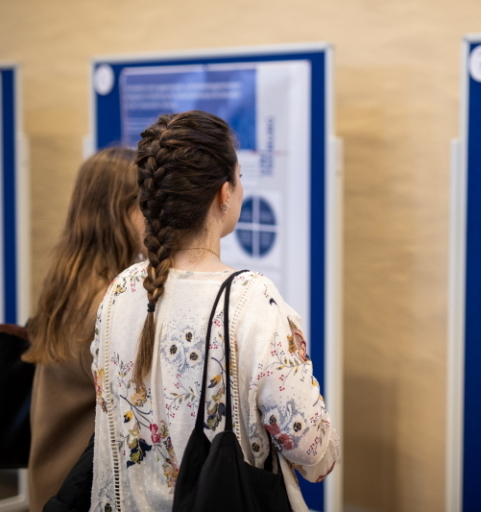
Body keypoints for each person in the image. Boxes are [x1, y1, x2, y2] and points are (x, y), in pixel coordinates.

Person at [90, 111, 339, 512]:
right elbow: (313, 455)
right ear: (225, 193)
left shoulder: (119, 291)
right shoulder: (252, 301)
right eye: (239, 178)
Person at [23, 147, 145, 512]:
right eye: (146, 205)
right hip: (81, 491)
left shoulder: (72, 278)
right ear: (118, 212)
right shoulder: (107, 303)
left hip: (51, 482)